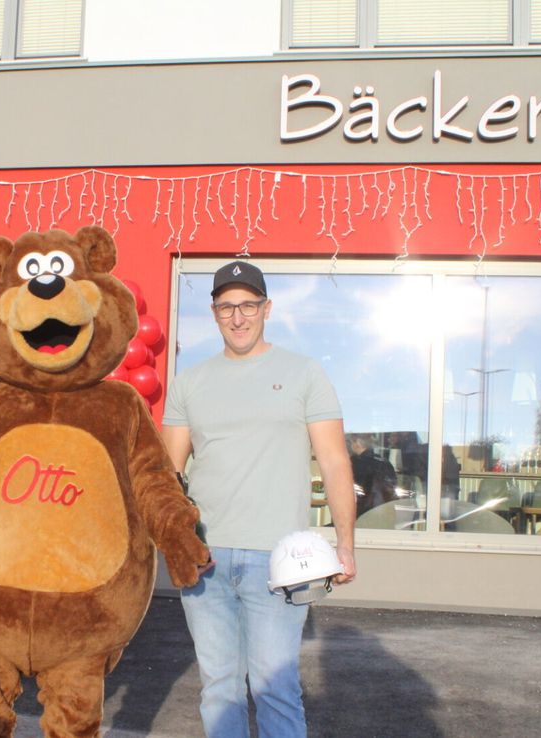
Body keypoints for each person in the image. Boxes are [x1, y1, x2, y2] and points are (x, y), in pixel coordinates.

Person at [162, 260, 357, 738]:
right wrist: (175, 544)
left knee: (275, 687)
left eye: (248, 305)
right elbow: (168, 475)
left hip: (280, 560)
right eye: (226, 307)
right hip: (205, 559)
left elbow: (334, 463)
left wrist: (345, 544)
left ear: (266, 309)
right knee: (219, 686)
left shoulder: (303, 374)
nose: (238, 316)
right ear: (213, 313)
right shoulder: (190, 382)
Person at [350, 432, 399, 513]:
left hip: (361, 514)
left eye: (351, 442)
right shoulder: (384, 462)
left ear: (358, 442)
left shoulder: (354, 463)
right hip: (383, 512)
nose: (351, 446)